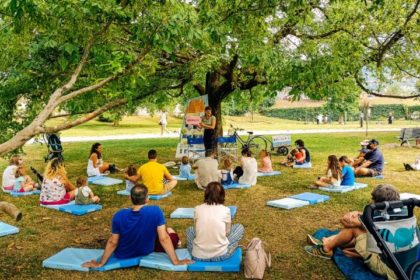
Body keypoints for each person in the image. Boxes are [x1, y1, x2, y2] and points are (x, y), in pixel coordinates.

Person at [83, 184, 191, 268]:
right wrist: (176, 261)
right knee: (168, 234)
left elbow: (113, 242)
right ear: (147, 198)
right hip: (145, 251)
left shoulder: (118, 215)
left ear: (130, 197)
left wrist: (101, 263)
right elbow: (163, 238)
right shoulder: (156, 211)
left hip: (123, 254)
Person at [305, 184, 400, 279]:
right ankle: (330, 242)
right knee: (361, 232)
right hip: (398, 263)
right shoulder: (401, 215)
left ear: (376, 202)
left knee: (355, 229)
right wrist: (358, 214)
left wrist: (354, 216)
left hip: (390, 270)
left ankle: (326, 248)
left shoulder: (375, 217)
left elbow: (345, 223)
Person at [186, 182, 244, 261]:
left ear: (206, 194)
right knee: (239, 227)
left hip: (197, 255)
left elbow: (196, 231)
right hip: (221, 255)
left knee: (189, 230)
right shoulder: (226, 210)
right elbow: (227, 232)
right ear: (222, 195)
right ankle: (229, 247)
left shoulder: (197, 209)